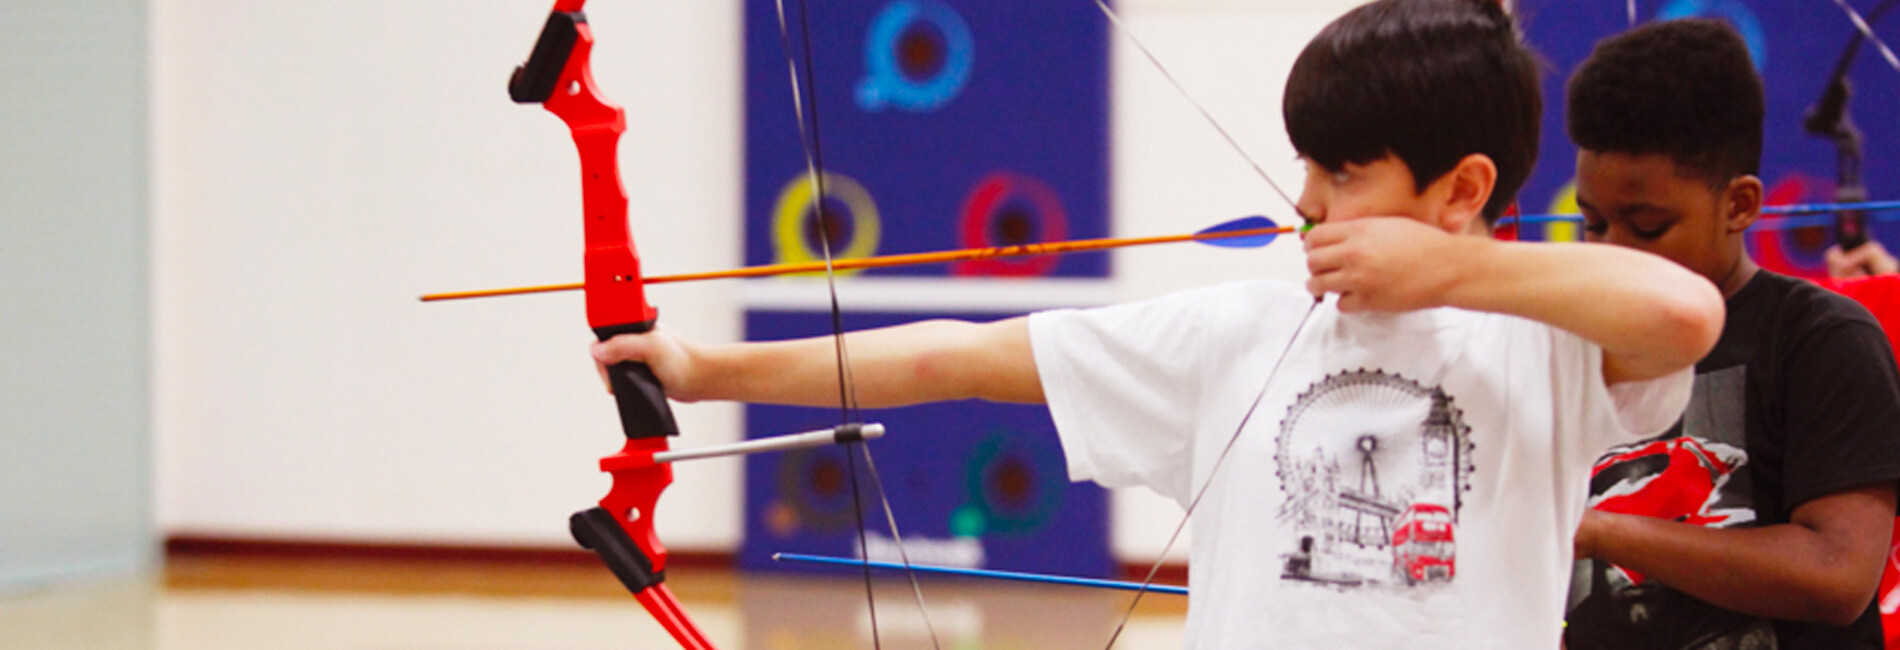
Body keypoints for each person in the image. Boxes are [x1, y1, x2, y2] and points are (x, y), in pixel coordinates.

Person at [597, 0, 1723, 646]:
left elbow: (1685, 309)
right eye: (1306, 166)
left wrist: (1443, 271)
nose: (1309, 199)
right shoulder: (1241, 328)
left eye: (1342, 168)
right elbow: (957, 351)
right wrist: (701, 366)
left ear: (1463, 188)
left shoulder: (1548, 343)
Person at [1560, 19, 1900, 650]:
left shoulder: (1821, 339)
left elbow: (1837, 574)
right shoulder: (1571, 347)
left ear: (1740, 205)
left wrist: (1603, 531)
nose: (1615, 250)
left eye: (1648, 225)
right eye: (1595, 223)